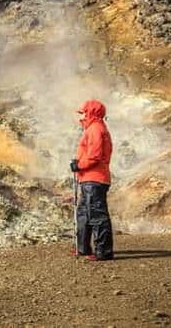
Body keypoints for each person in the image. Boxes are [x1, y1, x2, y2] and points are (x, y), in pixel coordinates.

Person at [70, 99, 114, 261]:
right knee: (84, 214)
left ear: (91, 113)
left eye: (83, 113)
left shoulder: (95, 129)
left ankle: (104, 252)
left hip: (94, 179)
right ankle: (83, 248)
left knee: (96, 215)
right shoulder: (94, 128)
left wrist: (78, 165)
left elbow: (94, 156)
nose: (81, 116)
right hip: (89, 179)